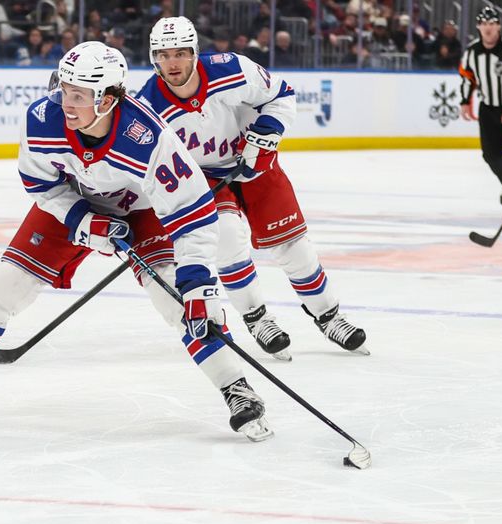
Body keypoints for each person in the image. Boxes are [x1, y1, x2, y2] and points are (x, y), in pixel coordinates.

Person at [0, 41, 273, 442]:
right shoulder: (42, 118)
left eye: (78, 95)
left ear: (108, 98)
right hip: (72, 200)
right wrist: (83, 220)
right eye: (64, 89)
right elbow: (41, 184)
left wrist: (196, 284)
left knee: (179, 300)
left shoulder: (148, 138)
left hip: (142, 212)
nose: (65, 103)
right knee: (5, 284)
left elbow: (191, 211)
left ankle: (236, 388)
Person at [137, 16, 368, 360]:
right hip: (205, 180)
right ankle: (257, 318)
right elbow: (148, 166)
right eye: (164, 55)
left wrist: (268, 130)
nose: (172, 63)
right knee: (228, 240)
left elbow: (282, 95)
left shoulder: (231, 70)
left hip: (257, 162)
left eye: (181, 53)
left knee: (293, 246)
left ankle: (328, 314)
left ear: (195, 53)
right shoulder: (148, 107)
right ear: (155, 59)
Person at [459, 6, 502, 205]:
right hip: (489, 109)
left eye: (492, 24)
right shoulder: (472, 52)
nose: (488, 28)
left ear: (499, 26)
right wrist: (465, 101)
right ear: (478, 26)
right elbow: (467, 77)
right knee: (491, 154)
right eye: (484, 24)